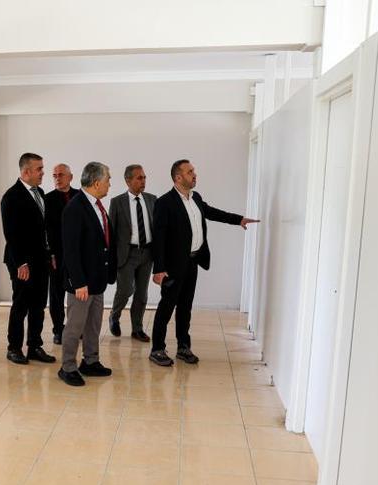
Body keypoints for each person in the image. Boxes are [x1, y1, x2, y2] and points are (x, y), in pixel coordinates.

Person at [150, 159, 259, 365]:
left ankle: (183, 347)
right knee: (167, 307)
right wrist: (159, 269)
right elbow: (159, 238)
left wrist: (238, 219)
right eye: (190, 172)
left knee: (185, 307)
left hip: (192, 262)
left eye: (194, 171)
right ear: (178, 177)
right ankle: (157, 349)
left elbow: (212, 212)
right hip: (172, 266)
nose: (195, 175)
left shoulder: (196, 198)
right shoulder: (164, 203)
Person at [58, 162, 116, 387]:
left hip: (97, 279)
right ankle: (67, 367)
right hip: (81, 283)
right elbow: (70, 250)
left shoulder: (98, 206)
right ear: (97, 182)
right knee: (75, 326)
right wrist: (79, 282)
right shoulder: (75, 208)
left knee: (93, 325)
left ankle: (90, 361)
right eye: (108, 179)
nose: (110, 183)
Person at [0, 153, 57, 365]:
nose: (43, 172)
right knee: (21, 305)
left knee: (38, 305)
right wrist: (21, 263)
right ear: (26, 172)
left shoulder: (39, 192)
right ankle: (14, 348)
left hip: (41, 259)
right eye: (39, 169)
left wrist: (50, 253)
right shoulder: (11, 197)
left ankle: (34, 346)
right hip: (22, 262)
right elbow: (11, 234)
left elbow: (44, 229)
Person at [107, 164, 156, 342]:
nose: (143, 181)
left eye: (144, 177)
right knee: (126, 290)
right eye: (139, 178)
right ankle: (114, 316)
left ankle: (137, 329)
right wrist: (111, 258)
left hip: (147, 253)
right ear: (128, 181)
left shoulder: (152, 199)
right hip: (126, 254)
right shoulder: (117, 202)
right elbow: (111, 232)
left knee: (141, 294)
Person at [44, 163, 79, 345]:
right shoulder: (47, 199)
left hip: (77, 254)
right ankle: (58, 329)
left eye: (61, 175)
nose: (57, 178)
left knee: (77, 293)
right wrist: (50, 253)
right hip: (56, 255)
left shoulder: (80, 196)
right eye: (54, 175)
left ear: (70, 177)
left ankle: (75, 328)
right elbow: (45, 230)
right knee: (56, 294)